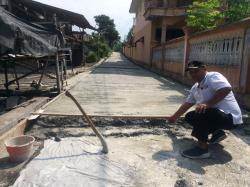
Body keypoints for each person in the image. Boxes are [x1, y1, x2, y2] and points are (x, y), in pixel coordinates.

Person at [167, 60, 243, 159]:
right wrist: (174, 117)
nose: (193, 74)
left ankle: (202, 150)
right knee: (190, 116)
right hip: (216, 116)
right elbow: (187, 104)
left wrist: (207, 104)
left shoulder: (213, 76)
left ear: (204, 69)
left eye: (196, 71)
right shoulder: (195, 88)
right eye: (191, 72)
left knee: (202, 112)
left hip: (230, 119)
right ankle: (217, 133)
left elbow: (226, 89)